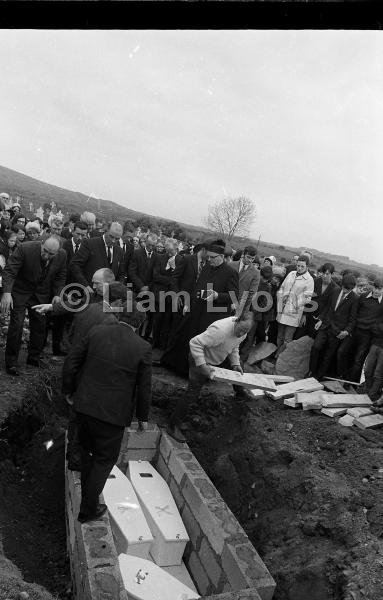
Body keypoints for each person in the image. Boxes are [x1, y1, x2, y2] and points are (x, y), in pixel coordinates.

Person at [62, 301, 152, 523]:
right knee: (103, 460)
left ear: (120, 315)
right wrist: (142, 418)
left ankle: (87, 503)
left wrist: (69, 391)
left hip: (84, 406)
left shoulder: (96, 332)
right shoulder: (142, 348)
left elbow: (71, 361)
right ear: (140, 324)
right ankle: (87, 510)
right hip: (112, 417)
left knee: (86, 452)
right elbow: (144, 388)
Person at [167, 311, 254, 442]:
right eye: (241, 330)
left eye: (245, 331)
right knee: (192, 393)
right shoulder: (220, 330)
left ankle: (240, 393)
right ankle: (173, 426)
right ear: (236, 321)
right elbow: (194, 343)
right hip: (199, 359)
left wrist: (235, 363)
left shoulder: (243, 331)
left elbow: (234, 346)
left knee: (239, 365)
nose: (241, 334)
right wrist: (202, 365)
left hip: (215, 358)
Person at [161, 239, 239, 377]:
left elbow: (233, 296)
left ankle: (198, 373)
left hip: (213, 316)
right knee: (185, 337)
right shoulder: (208, 267)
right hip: (197, 310)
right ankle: (178, 367)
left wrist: (216, 296)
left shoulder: (230, 272)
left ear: (221, 257)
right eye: (208, 257)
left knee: (203, 345)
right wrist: (188, 303)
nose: (210, 260)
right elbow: (198, 287)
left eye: (213, 258)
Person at [1, 237, 66, 375]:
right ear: (41, 244)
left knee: (40, 325)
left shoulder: (62, 255)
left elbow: (61, 275)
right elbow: (10, 271)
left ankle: (34, 357)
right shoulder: (25, 248)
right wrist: (7, 293)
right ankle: (11, 362)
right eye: (45, 251)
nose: (47, 255)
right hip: (20, 291)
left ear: (58, 252)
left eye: (51, 254)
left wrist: (57, 293)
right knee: (17, 325)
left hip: (41, 294)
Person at [309, 273, 358, 381]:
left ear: (353, 288)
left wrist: (346, 331)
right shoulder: (335, 291)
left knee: (328, 355)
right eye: (344, 287)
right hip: (325, 325)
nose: (345, 290)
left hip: (338, 331)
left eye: (348, 289)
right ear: (342, 284)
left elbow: (353, 318)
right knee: (316, 347)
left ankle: (319, 376)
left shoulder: (355, 298)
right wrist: (321, 319)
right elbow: (327, 307)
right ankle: (312, 370)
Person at [337, 278, 383, 383]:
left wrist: (374, 327)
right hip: (354, 331)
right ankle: (343, 376)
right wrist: (350, 329)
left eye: (380, 289)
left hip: (368, 336)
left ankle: (349, 383)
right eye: (375, 288)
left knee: (358, 360)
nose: (376, 291)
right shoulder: (363, 296)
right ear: (373, 287)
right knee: (341, 352)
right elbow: (354, 314)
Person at [70, 222, 125, 292]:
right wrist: (85, 286)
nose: (113, 241)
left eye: (117, 239)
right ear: (105, 231)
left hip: (108, 295)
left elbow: (121, 273)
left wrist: (117, 288)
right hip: (89, 291)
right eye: (111, 237)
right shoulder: (90, 244)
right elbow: (75, 265)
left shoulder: (119, 251)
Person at [276, 254, 314, 350]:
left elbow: (307, 298)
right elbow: (282, 287)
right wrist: (281, 298)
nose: (299, 268)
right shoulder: (291, 274)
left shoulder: (309, 280)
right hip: (282, 308)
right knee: (279, 335)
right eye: (298, 265)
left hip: (294, 313)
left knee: (287, 339)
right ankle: (275, 355)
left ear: (307, 267)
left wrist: (294, 303)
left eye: (302, 266)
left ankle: (281, 358)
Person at [240, 265, 273, 362]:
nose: (264, 280)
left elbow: (264, 304)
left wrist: (252, 312)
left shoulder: (266, 287)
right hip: (249, 312)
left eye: (266, 279)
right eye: (263, 277)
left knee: (248, 336)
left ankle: (242, 357)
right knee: (244, 334)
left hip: (253, 315)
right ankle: (238, 355)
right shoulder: (257, 282)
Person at [304, 263, 339, 338]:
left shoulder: (335, 288)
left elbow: (329, 306)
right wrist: (303, 315)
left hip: (319, 320)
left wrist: (321, 318)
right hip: (307, 315)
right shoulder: (314, 281)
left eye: (327, 274)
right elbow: (307, 298)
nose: (324, 276)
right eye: (323, 273)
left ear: (332, 274)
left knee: (311, 340)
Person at [230, 245, 260, 313]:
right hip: (226, 304)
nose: (250, 260)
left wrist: (238, 306)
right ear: (243, 254)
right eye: (248, 257)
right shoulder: (231, 265)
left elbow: (251, 293)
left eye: (252, 258)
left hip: (241, 309)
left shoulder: (256, 273)